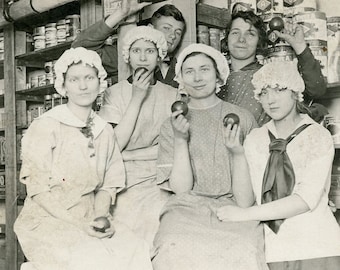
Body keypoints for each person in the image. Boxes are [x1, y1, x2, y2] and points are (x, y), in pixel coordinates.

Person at [14, 47, 152, 270]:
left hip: (88, 215)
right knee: (91, 258)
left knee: (135, 249)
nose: (83, 86)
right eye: (74, 79)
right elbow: (38, 191)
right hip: (48, 220)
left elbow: (108, 185)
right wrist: (79, 225)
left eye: (89, 78)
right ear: (63, 85)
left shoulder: (103, 130)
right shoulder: (46, 125)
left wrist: (100, 217)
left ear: (100, 82)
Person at [152, 43, 268, 270]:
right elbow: (181, 190)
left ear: (219, 76)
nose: (197, 77)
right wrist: (179, 139)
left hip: (235, 207)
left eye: (204, 69)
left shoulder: (243, 119)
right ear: (181, 80)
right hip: (186, 209)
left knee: (245, 249)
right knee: (171, 247)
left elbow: (246, 200)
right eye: (189, 71)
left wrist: (237, 152)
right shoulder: (171, 125)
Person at [217, 61, 340, 270]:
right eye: (264, 93)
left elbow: (304, 200)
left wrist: (244, 215)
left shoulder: (317, 136)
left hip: (317, 245)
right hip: (274, 247)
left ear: (295, 92)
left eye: (279, 90)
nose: (270, 100)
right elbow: (246, 200)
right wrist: (238, 154)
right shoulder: (255, 138)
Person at [98, 26, 177, 250]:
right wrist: (137, 98)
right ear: (128, 56)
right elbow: (113, 145)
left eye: (150, 51)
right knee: (123, 239)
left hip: (158, 178)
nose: (143, 57)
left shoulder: (172, 95)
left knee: (157, 231)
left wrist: (128, 154)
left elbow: (170, 147)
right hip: (121, 178)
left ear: (159, 55)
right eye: (136, 51)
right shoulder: (114, 93)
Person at [217, 10, 327, 126]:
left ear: (259, 41)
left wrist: (299, 46)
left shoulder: (271, 75)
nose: (241, 39)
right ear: (226, 37)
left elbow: (317, 90)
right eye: (235, 32)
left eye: (250, 34)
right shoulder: (213, 77)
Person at [72, 0, 186, 87]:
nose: (173, 36)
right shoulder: (128, 56)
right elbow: (79, 50)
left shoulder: (183, 67)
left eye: (178, 32)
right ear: (150, 29)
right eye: (167, 28)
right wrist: (120, 14)